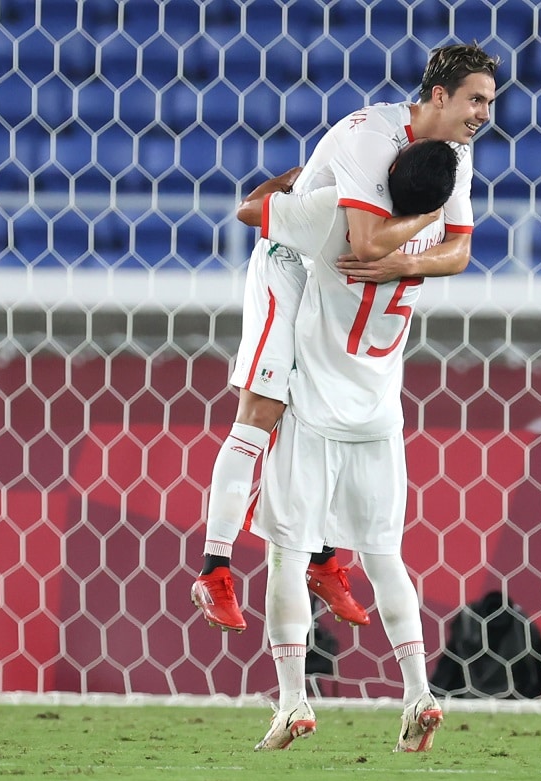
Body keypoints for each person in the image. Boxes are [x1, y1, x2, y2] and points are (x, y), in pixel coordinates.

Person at [191, 43, 500, 634]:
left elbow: (459, 253)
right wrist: (425, 226)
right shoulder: (369, 135)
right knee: (264, 408)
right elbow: (364, 244)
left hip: (333, 276)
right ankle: (214, 567)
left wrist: (410, 262)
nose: (484, 113)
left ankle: (325, 559)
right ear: (440, 96)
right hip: (293, 263)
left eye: (488, 102)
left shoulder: (453, 156)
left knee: (338, 414)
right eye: (475, 100)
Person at [237, 138, 461, 752]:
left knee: (287, 553)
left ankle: (292, 702)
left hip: (313, 411)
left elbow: (252, 210)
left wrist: (305, 175)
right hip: (379, 416)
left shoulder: (338, 214)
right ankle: (418, 692)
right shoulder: (433, 235)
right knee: (386, 558)